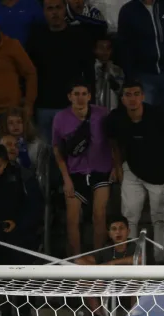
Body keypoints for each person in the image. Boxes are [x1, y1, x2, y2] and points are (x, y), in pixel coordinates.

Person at [108, 79, 164, 263]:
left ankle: (161, 261)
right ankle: (130, 260)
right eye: (127, 95)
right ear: (122, 98)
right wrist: (117, 165)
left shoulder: (157, 115)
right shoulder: (116, 118)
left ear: (142, 96)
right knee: (129, 216)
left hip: (160, 171)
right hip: (133, 168)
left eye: (136, 94)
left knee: (160, 219)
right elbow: (114, 142)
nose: (132, 99)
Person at [53, 81, 110, 256]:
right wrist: (66, 179)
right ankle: (77, 262)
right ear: (70, 96)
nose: (80, 97)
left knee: (99, 215)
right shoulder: (60, 118)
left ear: (89, 96)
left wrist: (116, 165)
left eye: (84, 93)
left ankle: (98, 260)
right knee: (72, 219)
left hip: (100, 169)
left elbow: (114, 140)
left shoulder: (102, 114)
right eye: (76, 94)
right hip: (75, 172)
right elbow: (57, 149)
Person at [27, 0, 93, 147]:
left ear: (65, 9)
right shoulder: (36, 38)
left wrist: (89, 102)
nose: (54, 12)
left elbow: (89, 72)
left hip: (72, 105)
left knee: (74, 152)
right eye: (50, 8)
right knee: (45, 154)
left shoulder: (79, 36)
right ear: (44, 12)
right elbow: (29, 73)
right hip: (44, 105)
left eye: (58, 7)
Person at [116, 0, 164, 122]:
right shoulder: (128, 11)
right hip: (143, 74)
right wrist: (130, 78)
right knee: (145, 119)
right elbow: (124, 47)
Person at [0, 108, 42, 178]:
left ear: (25, 124)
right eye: (11, 123)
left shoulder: (36, 143)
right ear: (5, 125)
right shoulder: (2, 143)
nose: (15, 126)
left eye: (19, 122)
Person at [92, 36, 124, 112]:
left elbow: (120, 90)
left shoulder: (117, 70)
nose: (105, 51)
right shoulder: (90, 69)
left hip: (112, 111)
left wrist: (108, 73)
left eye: (108, 48)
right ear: (94, 50)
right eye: (101, 48)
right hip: (93, 111)